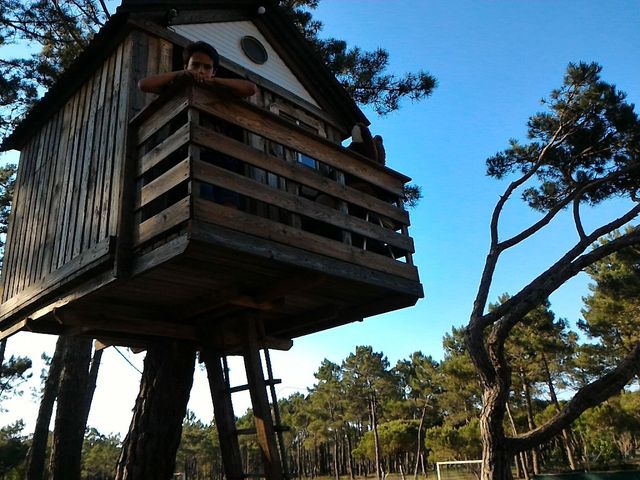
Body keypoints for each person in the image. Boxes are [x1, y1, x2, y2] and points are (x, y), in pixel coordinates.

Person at [138, 41, 257, 97]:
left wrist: (214, 81)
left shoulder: (220, 89)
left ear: (213, 72)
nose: (201, 71)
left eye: (207, 67)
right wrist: (182, 74)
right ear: (186, 67)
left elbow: (251, 89)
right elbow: (144, 84)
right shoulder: (177, 86)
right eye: (195, 65)